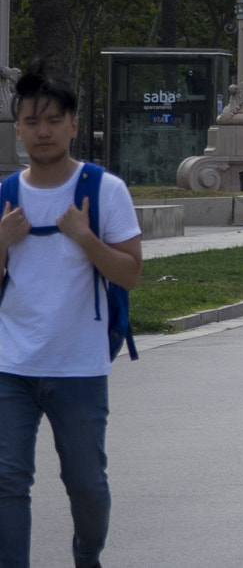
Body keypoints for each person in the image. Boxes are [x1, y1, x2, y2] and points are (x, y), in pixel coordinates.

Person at [0, 64, 144, 568]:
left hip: (79, 367)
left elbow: (129, 274)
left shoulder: (105, 190)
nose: (43, 131)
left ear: (74, 125)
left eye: (54, 120)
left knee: (87, 484)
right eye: (32, 121)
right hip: (10, 366)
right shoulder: (3, 198)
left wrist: (85, 237)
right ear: (17, 127)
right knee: (7, 481)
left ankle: (87, 554)